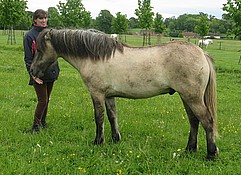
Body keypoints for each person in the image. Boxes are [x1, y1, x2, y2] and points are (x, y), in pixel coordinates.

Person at [23, 9, 60, 133]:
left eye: (45, 18)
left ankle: (43, 122)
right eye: (40, 18)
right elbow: (28, 58)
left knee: (47, 99)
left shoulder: (51, 33)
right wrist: (33, 75)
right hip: (38, 72)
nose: (44, 20)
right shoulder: (29, 36)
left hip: (51, 71)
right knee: (42, 100)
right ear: (35, 20)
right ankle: (35, 126)